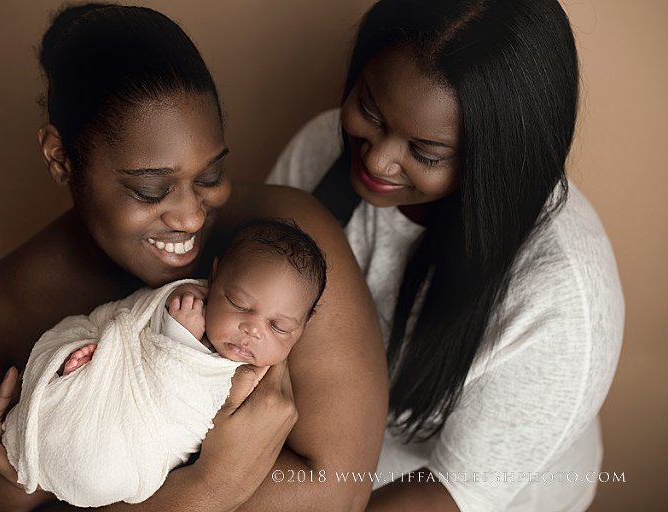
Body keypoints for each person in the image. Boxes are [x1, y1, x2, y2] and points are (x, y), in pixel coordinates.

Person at [0, 4, 387, 512]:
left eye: (210, 176)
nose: (192, 217)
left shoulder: (285, 251)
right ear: (60, 157)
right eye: (150, 190)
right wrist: (212, 485)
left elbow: (340, 490)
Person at [267, 1, 624, 511]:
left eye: (426, 153)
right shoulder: (323, 150)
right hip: (332, 462)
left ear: (496, 158)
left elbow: (451, 493)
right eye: (370, 109)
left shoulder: (560, 300)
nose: (377, 159)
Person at [2, 218, 328, 508]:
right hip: (113, 384)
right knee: (77, 361)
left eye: (279, 326)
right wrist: (177, 334)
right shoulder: (184, 303)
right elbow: (134, 319)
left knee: (102, 473)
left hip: (138, 444)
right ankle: (73, 380)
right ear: (215, 277)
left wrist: (183, 347)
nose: (252, 331)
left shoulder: (265, 384)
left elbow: (189, 418)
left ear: (305, 324)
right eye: (239, 305)